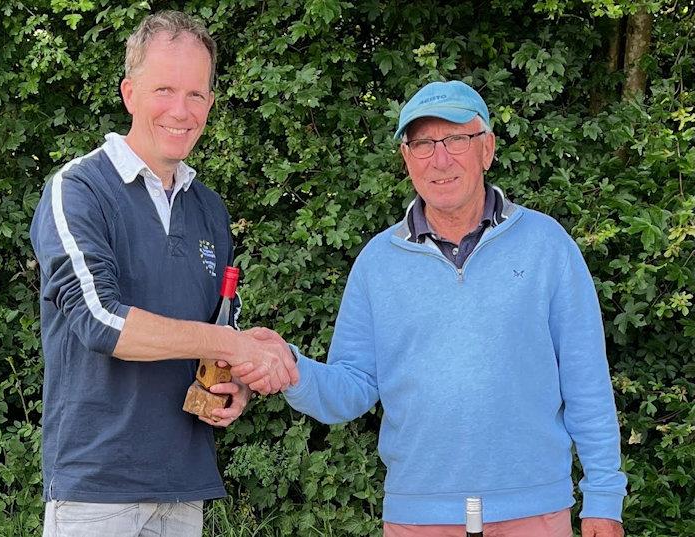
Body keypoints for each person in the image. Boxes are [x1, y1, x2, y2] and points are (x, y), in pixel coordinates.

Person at [261, 80, 627, 536]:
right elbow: (351, 387)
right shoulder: (378, 262)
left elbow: (586, 381)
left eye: (456, 139)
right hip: (419, 517)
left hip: (533, 511)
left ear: (487, 148)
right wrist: (291, 368)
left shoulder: (547, 245)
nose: (440, 159)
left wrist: (604, 498)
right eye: (423, 143)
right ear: (406, 158)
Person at [30, 11, 296, 537]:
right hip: (96, 489)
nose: (181, 110)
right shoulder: (78, 189)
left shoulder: (210, 210)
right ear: (130, 93)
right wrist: (233, 343)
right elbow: (100, 321)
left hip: (183, 483)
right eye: (164, 89)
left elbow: (216, 339)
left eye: (196, 94)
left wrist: (232, 382)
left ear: (211, 103)